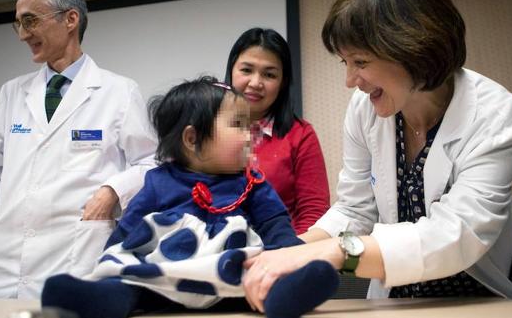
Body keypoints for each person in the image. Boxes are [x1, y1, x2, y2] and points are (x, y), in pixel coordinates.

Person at [242, 0, 512, 311]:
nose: (350, 80)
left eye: (360, 61)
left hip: (490, 296)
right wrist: (286, 251)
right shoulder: (365, 110)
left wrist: (335, 252)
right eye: (344, 62)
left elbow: (457, 235)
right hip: (402, 299)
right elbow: (354, 208)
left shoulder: (497, 116)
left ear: (412, 47)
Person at [41, 76, 338, 318]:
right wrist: (109, 265)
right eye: (238, 126)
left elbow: (277, 229)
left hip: (230, 279)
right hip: (162, 279)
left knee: (262, 284)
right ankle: (101, 297)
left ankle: (286, 295)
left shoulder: (253, 184)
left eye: (250, 127)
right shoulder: (158, 181)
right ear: (192, 138)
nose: (250, 136)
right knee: (128, 284)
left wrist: (294, 260)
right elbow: (127, 233)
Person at [0, 0, 157, 299]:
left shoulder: (119, 91)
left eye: (30, 20)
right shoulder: (12, 92)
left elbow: (151, 163)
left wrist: (113, 190)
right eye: (18, 24)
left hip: (78, 258)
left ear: (70, 19)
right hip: (4, 267)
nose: (24, 34)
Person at [225, 28, 330, 234]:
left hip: (281, 253)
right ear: (231, 70)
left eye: (269, 74)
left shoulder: (301, 134)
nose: (255, 83)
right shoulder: (208, 128)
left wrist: (291, 253)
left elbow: (313, 211)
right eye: (246, 70)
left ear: (282, 83)